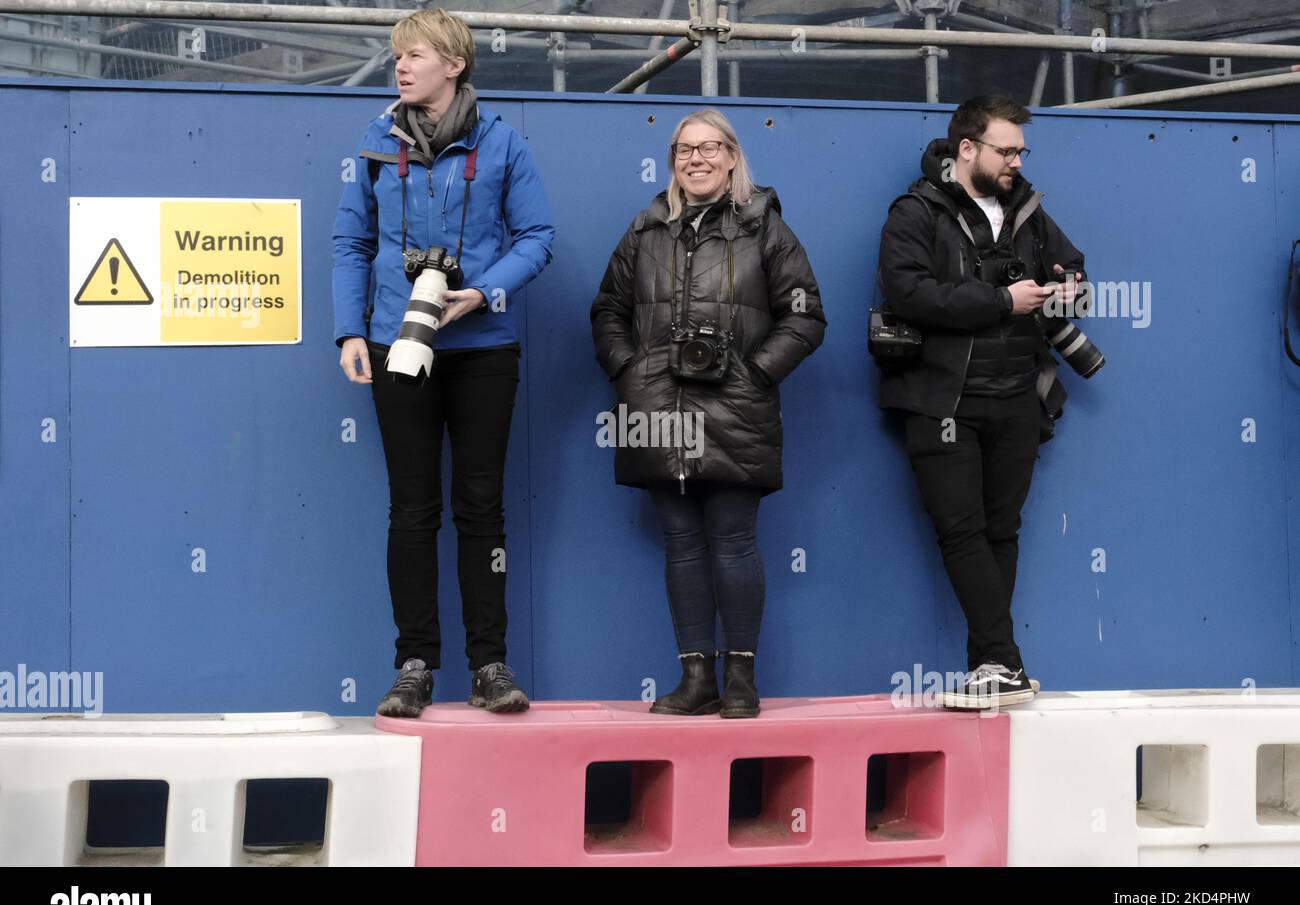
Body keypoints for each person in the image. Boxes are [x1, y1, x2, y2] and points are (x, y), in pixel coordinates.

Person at [332, 9, 555, 716]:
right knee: (411, 511)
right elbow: (350, 245)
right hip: (398, 349)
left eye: (415, 55)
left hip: (483, 349)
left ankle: (490, 664)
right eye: (397, 56)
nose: (400, 67)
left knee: (481, 510)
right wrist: (349, 333)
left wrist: (485, 293)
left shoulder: (503, 142)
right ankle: (414, 665)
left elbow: (538, 236)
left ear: (454, 64)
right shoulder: (375, 142)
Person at [591, 109, 825, 718]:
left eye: (708, 148)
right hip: (656, 411)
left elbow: (805, 316)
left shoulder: (766, 229)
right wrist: (629, 370)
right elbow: (608, 310)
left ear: (731, 156)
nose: (695, 159)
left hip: (736, 410)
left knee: (733, 543)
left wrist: (753, 373)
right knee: (682, 546)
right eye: (683, 150)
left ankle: (741, 681)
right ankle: (695, 680)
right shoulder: (645, 230)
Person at [877, 94, 1091, 709]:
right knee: (962, 530)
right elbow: (910, 293)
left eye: (1021, 151)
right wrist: (1000, 302)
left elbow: (1075, 269)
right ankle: (1003, 662)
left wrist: (1067, 287)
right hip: (941, 400)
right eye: (1006, 150)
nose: (1016, 162)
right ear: (966, 149)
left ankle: (990, 667)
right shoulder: (916, 211)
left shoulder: (1028, 210)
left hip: (1019, 398)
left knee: (1003, 530)